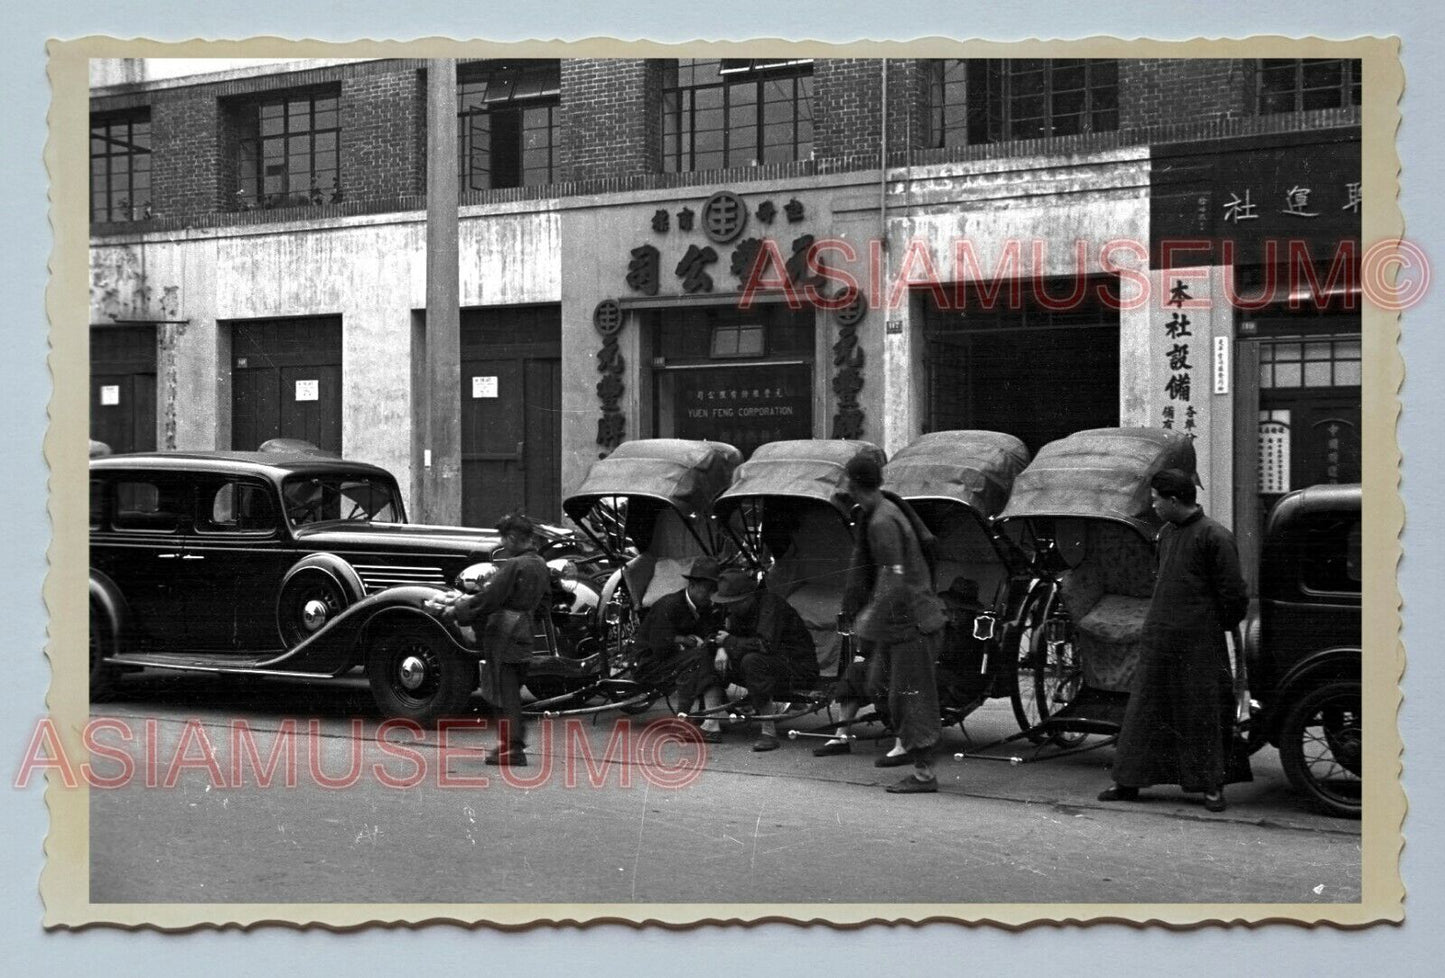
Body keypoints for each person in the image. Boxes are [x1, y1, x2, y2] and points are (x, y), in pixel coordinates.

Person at [1097, 469, 1249, 813]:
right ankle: (1129, 782)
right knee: (1145, 711)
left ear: (1174, 500)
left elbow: (1234, 595)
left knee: (1202, 713)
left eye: (1156, 500)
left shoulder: (1215, 537)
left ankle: (1211, 786)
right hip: (1159, 637)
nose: (1153, 506)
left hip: (1199, 643)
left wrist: (1211, 625)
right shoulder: (1165, 534)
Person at [836, 452, 948, 794]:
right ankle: (907, 745)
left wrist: (868, 617)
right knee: (878, 683)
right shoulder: (883, 510)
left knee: (911, 698)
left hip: (911, 621)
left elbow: (893, 575)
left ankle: (924, 774)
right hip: (900, 621)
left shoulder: (883, 520)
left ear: (854, 486)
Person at [438, 513, 551, 767]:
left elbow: (489, 598)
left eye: (504, 538)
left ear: (512, 538)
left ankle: (512, 748)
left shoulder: (513, 566)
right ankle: (511, 745)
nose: (503, 544)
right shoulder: (540, 564)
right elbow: (545, 606)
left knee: (503, 689)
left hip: (505, 633)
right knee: (512, 688)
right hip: (525, 632)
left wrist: (457, 611)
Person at [683, 569, 819, 751]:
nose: (729, 608)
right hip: (764, 664)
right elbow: (719, 634)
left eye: (732, 604)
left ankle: (768, 732)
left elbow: (766, 645)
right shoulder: (737, 610)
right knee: (708, 652)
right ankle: (711, 725)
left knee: (753, 660)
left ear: (747, 598)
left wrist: (729, 642)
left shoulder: (771, 606)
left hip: (796, 667)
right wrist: (721, 647)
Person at [633, 556, 722, 736]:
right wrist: (683, 641)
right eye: (708, 590)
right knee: (699, 656)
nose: (711, 596)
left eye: (714, 590)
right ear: (693, 585)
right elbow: (659, 647)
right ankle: (686, 718)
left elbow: (711, 633)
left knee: (706, 653)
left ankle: (707, 715)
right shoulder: (669, 605)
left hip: (674, 659)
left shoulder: (705, 607)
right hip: (649, 663)